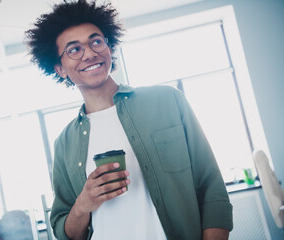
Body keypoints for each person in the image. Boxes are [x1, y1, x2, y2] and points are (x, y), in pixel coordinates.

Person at [25, 0, 233, 239]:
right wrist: (83, 204)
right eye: (74, 49)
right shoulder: (64, 143)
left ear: (109, 47)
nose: (90, 53)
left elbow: (212, 190)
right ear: (60, 69)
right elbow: (64, 231)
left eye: (96, 41)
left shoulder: (168, 101)